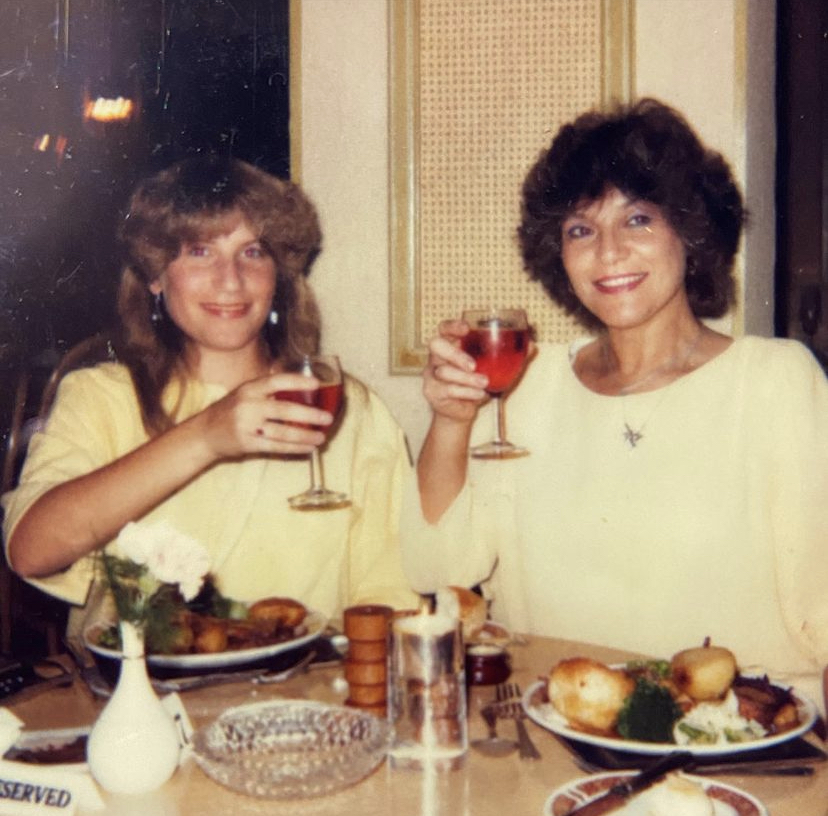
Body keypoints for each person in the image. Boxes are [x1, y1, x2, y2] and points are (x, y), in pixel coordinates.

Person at [401, 99, 828, 705]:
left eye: (638, 220)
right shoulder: (529, 383)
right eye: (581, 229)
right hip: (558, 739)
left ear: (690, 230)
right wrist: (450, 419)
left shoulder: (776, 383)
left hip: (744, 749)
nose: (608, 252)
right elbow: (434, 572)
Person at [3, 155, 418, 625]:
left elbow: (390, 597)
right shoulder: (101, 397)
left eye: (254, 251)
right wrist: (206, 436)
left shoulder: (348, 408)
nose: (230, 280)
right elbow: (31, 552)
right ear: (156, 276)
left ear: (279, 275)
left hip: (304, 689)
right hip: (143, 692)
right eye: (200, 251)